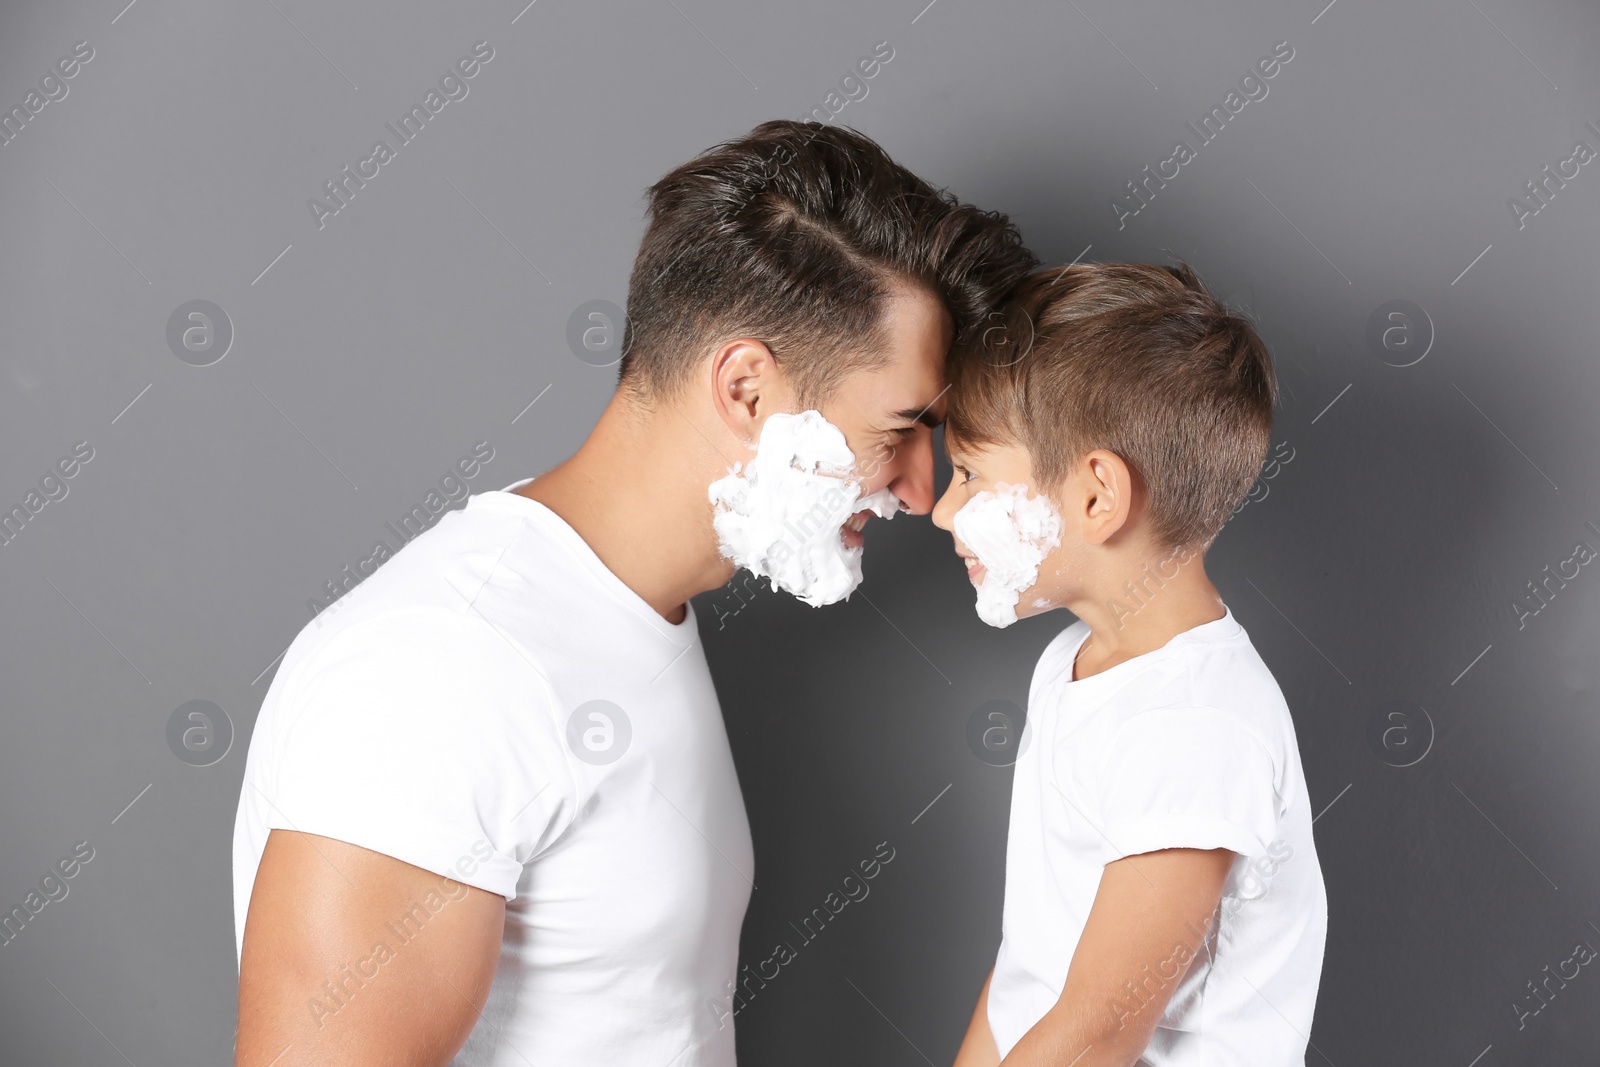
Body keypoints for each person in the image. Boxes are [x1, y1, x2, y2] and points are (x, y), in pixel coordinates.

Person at [231, 119, 1036, 1067]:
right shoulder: (447, 661)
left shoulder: (623, 616)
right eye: (900, 427)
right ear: (745, 389)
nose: (918, 487)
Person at [936, 262, 1327, 1065]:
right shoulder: (1072, 662)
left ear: (1097, 497)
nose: (944, 507)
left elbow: (1099, 1031)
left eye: (971, 473)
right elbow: (1030, 972)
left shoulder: (1195, 724)